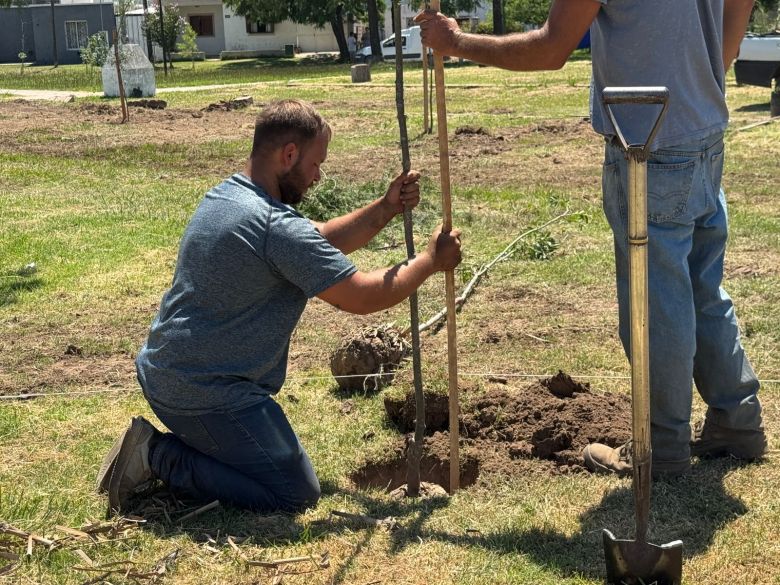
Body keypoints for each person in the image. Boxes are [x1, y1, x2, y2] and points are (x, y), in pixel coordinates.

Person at [416, 0, 766, 477]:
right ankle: (737, 420)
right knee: (702, 289)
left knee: (655, 304)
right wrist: (699, 75)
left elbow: (552, 47)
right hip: (701, 129)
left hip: (649, 146)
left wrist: (456, 43)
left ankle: (660, 446)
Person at [96, 99, 463, 514]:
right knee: (293, 493)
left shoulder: (228, 197)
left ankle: (193, 446)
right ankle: (155, 456)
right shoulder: (274, 226)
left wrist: (385, 208)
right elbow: (362, 295)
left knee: (266, 468)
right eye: (315, 164)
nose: (317, 177)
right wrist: (430, 261)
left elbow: (317, 240)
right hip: (206, 393)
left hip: (167, 374)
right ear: (289, 154)